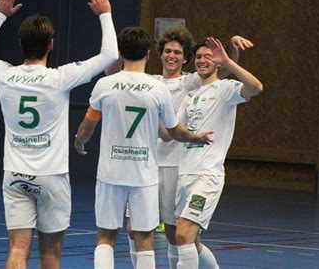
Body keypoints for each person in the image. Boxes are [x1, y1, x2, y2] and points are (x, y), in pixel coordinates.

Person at [0, 0, 118, 268]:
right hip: (52, 176)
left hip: (15, 174)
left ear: (21, 43)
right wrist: (105, 14)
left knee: (17, 250)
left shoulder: (5, 76)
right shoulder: (59, 78)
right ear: (51, 44)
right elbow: (110, 55)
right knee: (50, 255)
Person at [73, 27, 214, 269]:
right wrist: (193, 137)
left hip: (111, 172)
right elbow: (172, 132)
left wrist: (78, 141)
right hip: (144, 174)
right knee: (144, 237)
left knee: (105, 236)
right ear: (149, 54)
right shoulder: (156, 88)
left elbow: (87, 127)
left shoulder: (105, 85)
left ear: (121, 53)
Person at [120, 26, 253, 269]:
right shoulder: (148, 82)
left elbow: (219, 72)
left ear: (184, 58)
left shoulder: (191, 83)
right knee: (134, 228)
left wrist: (232, 53)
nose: (172, 55)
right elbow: (168, 129)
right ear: (158, 54)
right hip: (145, 165)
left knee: (178, 234)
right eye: (168, 51)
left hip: (177, 167)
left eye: (178, 52)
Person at [170, 37, 263, 268]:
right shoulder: (190, 97)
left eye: (208, 57)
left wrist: (230, 63)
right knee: (192, 241)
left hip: (207, 177)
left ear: (218, 63)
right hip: (185, 176)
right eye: (199, 57)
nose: (202, 61)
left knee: (182, 235)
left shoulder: (225, 89)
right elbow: (171, 132)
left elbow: (256, 87)